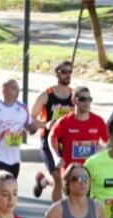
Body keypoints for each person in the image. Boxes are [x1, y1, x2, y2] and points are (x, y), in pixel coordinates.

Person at [30, 61, 73, 200]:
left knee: (65, 180)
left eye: (70, 72)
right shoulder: (47, 95)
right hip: (49, 141)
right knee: (58, 179)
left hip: (67, 142)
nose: (67, 75)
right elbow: (30, 118)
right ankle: (57, 216)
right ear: (57, 73)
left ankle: (43, 181)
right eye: (64, 72)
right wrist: (46, 125)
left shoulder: (75, 96)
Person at [48, 86, 108, 171]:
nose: (86, 103)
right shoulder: (65, 121)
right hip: (70, 171)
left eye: (89, 99)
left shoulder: (98, 121)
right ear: (74, 100)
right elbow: (51, 137)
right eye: (82, 99)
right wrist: (56, 157)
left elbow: (110, 141)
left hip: (92, 169)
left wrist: (103, 148)